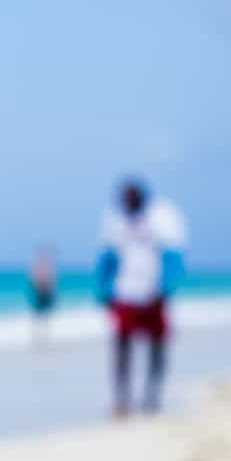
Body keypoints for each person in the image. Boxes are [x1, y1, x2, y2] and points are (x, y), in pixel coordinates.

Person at [96, 178, 186, 417]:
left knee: (157, 347)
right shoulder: (115, 222)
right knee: (121, 347)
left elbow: (172, 256)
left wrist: (166, 287)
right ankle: (122, 399)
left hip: (153, 293)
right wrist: (103, 289)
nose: (128, 202)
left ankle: (152, 396)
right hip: (125, 294)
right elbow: (108, 259)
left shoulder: (161, 219)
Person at [27, 246, 58, 339]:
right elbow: (33, 281)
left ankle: (43, 335)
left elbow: (52, 283)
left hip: (45, 294)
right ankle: (38, 335)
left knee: (44, 317)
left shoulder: (46, 266)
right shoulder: (38, 266)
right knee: (38, 317)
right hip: (39, 294)